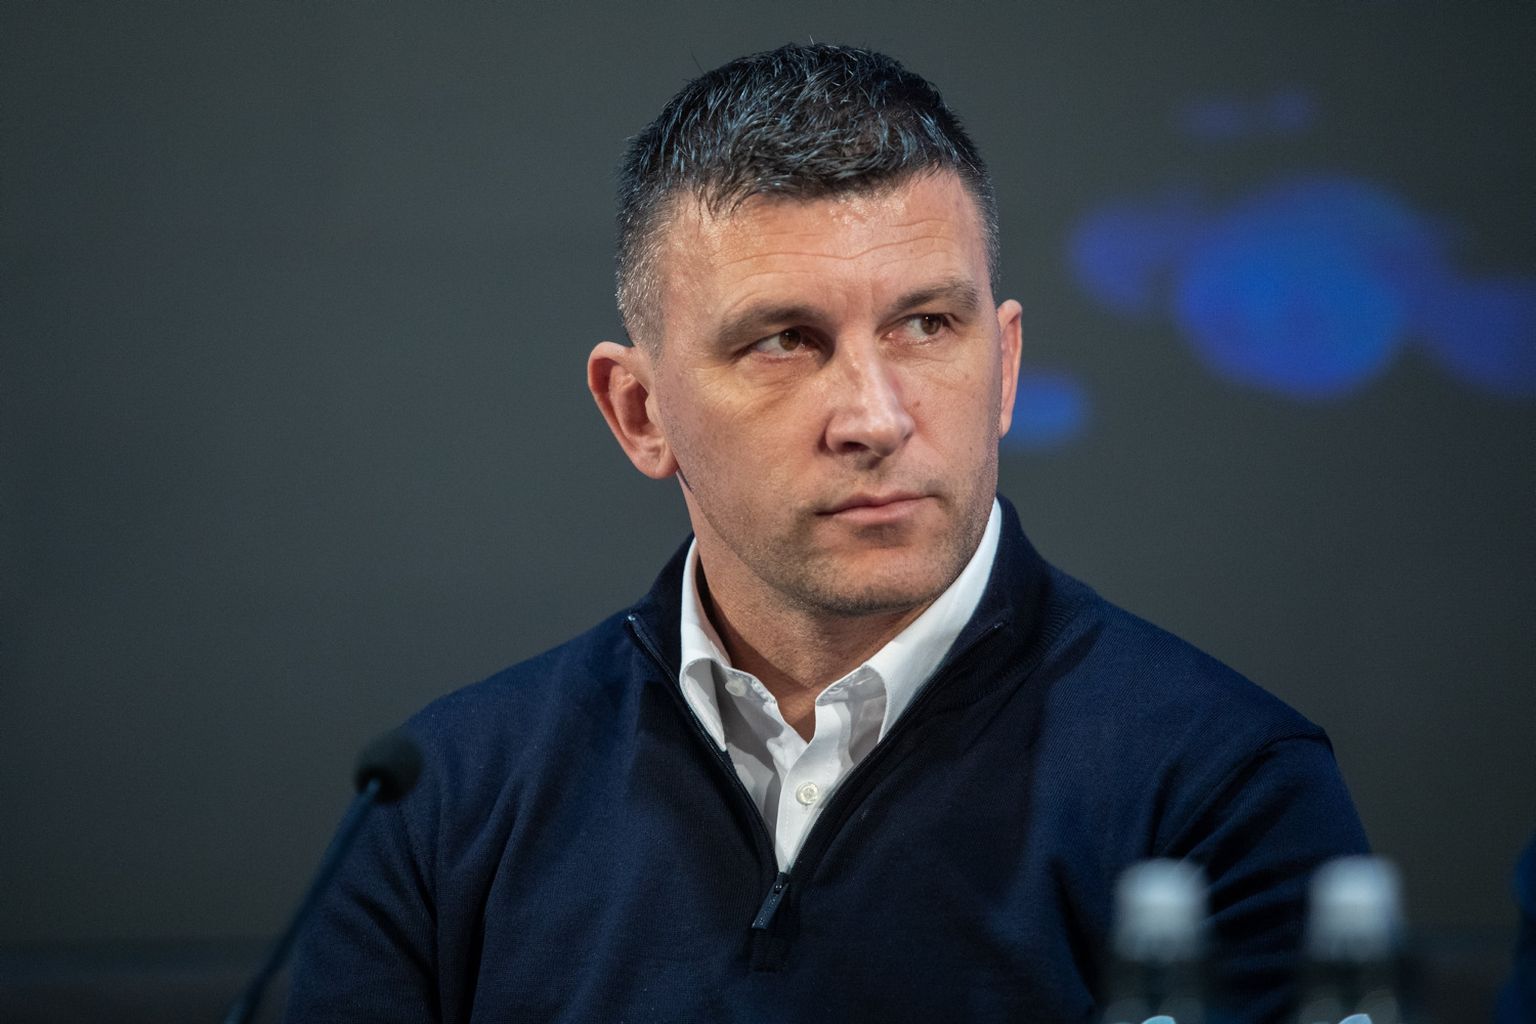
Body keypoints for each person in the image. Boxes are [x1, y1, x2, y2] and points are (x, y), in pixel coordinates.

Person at [284, 43, 1368, 1023]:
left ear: (1005, 368)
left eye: (927, 325)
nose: (875, 418)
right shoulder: (443, 802)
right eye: (785, 341)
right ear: (640, 412)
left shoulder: (1224, 786)